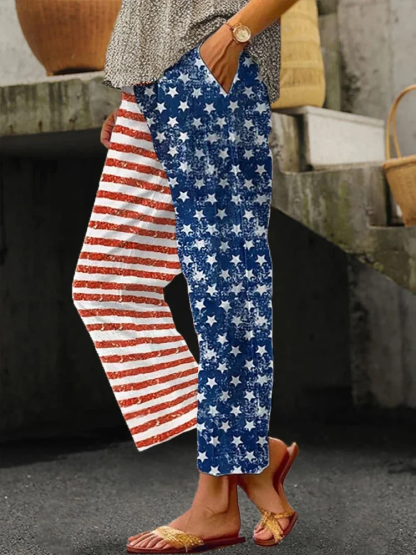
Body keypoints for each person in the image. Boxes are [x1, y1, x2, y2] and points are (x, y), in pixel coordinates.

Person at [72, 0, 301, 552]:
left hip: (212, 62)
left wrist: (236, 35)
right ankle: (248, 453)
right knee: (106, 283)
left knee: (225, 285)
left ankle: (216, 500)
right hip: (152, 83)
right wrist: (133, 86)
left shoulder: (224, 48)